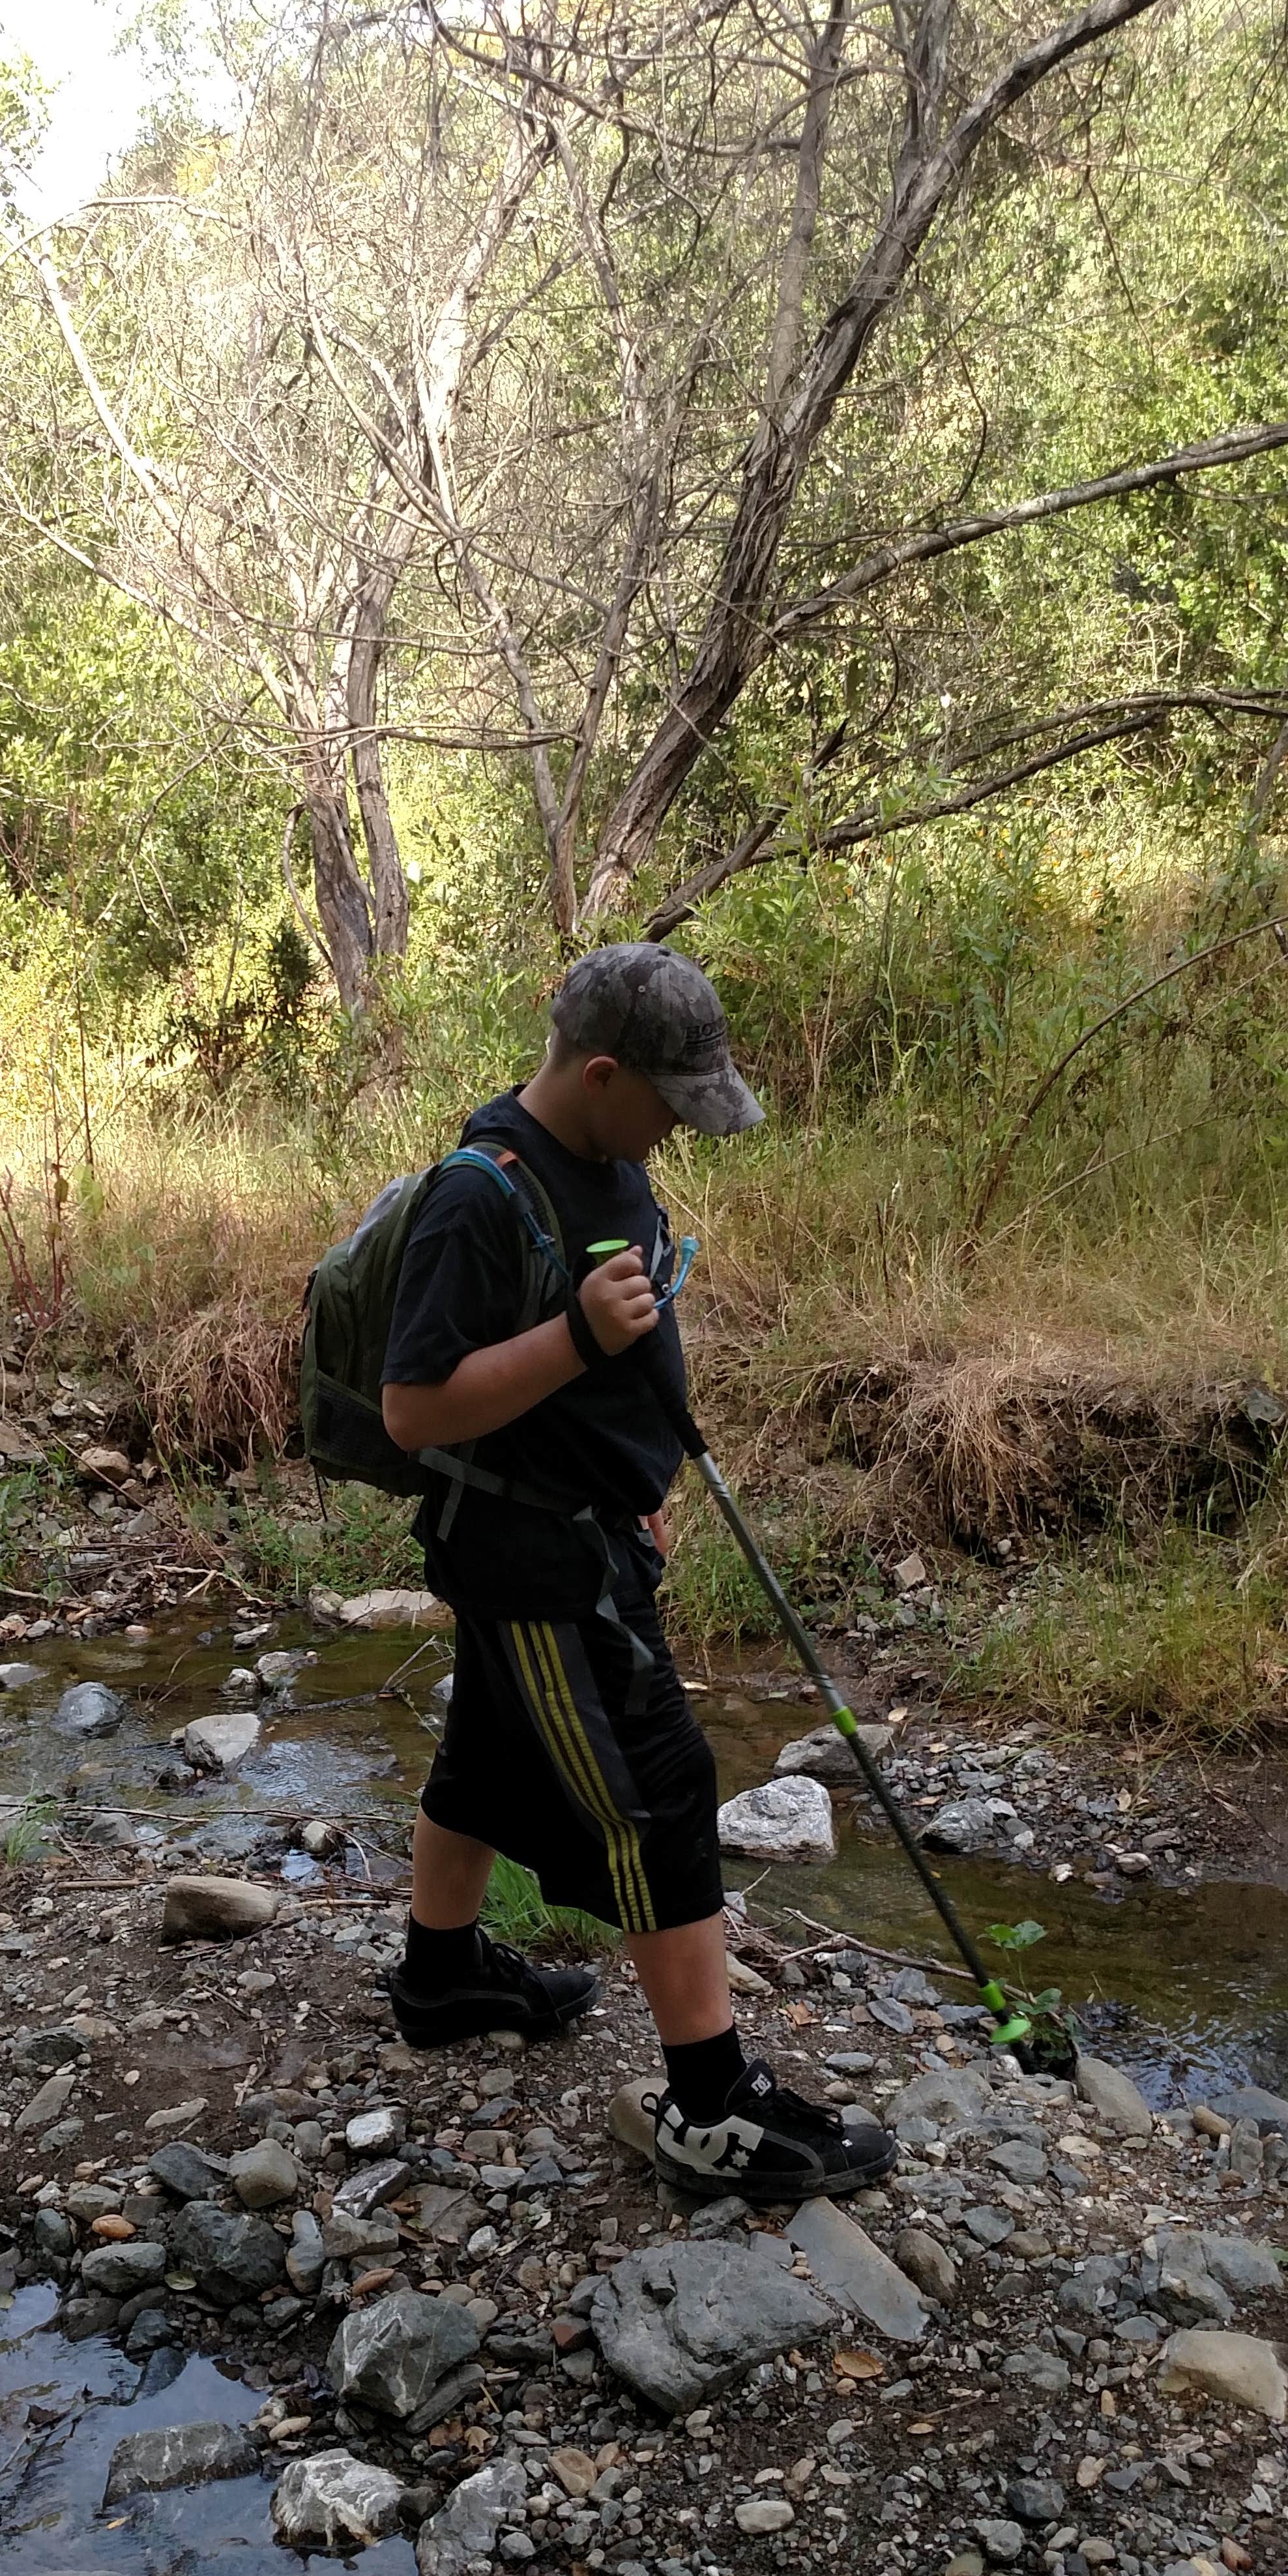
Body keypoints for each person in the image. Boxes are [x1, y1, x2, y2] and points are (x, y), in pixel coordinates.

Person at [378, 943, 894, 2206]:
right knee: (661, 1788)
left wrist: (633, 1481)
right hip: (535, 1555)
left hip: (592, 1529)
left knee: (492, 1751)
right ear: (601, 1071)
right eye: (670, 1102)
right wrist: (575, 1336)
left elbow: (606, 1370)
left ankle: (441, 1975)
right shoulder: (477, 1194)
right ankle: (712, 2106)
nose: (677, 1130)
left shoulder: (606, 1162)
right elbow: (411, 1409)